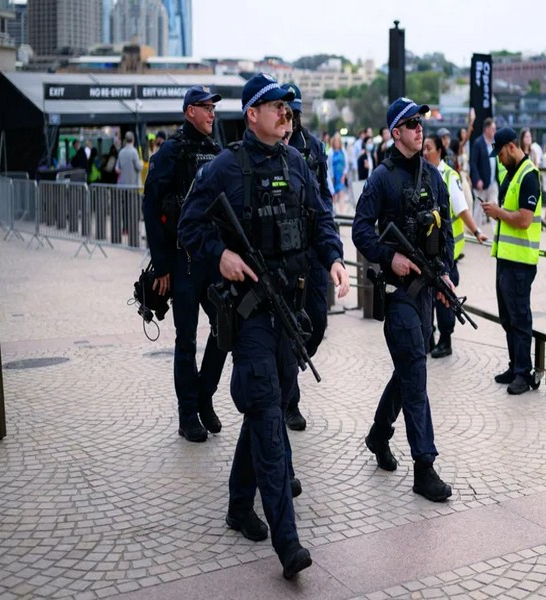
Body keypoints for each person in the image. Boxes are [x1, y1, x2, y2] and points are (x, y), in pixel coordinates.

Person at [177, 73, 350, 579]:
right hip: (250, 313)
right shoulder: (226, 167)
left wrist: (335, 259)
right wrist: (221, 255)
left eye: (288, 107)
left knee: (261, 412)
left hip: (288, 312)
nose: (285, 113)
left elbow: (321, 220)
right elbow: (190, 225)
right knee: (269, 416)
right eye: (275, 106)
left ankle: (237, 505)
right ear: (252, 114)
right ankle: (288, 541)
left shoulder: (297, 162)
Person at [352, 97, 454, 503]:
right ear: (395, 133)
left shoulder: (434, 178)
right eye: (411, 123)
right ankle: (424, 468)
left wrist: (444, 272)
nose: (419, 128)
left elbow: (444, 232)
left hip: (426, 291)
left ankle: (379, 433)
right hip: (397, 296)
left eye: (421, 122)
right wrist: (388, 256)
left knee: (409, 369)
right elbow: (360, 230)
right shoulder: (381, 179)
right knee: (415, 371)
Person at [142, 85, 228, 443]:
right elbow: (151, 205)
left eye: (213, 108)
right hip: (182, 260)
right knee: (186, 340)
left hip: (212, 257)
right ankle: (187, 413)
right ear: (189, 111)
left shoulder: (216, 151)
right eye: (205, 107)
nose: (212, 114)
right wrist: (161, 264)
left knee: (225, 328)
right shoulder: (171, 152)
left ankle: (204, 396)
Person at [279, 82, 334, 432]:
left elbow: (324, 198)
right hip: (282, 253)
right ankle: (290, 400)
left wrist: (333, 251)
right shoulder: (273, 146)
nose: (292, 117)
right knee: (287, 325)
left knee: (317, 323)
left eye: (296, 111)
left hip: (311, 250)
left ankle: (289, 367)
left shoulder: (313, 148)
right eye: (287, 111)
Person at [481, 127, 542, 395]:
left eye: (500, 153)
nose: (499, 158)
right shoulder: (511, 174)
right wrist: (496, 211)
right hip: (505, 258)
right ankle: (514, 364)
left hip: (520, 261)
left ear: (510, 146)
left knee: (519, 318)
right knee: (507, 317)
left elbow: (525, 219)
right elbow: (509, 214)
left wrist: (498, 212)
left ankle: (523, 373)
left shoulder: (530, 175)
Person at [422, 133, 487, 359]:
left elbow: (461, 209)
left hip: (446, 255)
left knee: (444, 298)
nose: (424, 152)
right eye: (423, 148)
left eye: (428, 148)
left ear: (439, 151)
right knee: (427, 297)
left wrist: (476, 231)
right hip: (426, 252)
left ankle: (445, 340)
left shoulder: (449, 176)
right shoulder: (420, 174)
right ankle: (428, 337)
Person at [470, 117, 498, 228]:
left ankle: (497, 231)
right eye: (493, 129)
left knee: (494, 205)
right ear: (486, 129)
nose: (494, 131)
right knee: (478, 207)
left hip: (492, 182)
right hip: (481, 183)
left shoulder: (494, 144)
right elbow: (473, 163)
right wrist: (477, 179)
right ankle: (476, 230)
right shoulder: (478, 143)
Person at [328, 133, 348, 214]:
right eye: (335, 141)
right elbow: (329, 165)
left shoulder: (343, 151)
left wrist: (344, 174)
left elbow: (346, 164)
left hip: (341, 175)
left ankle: (342, 212)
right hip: (333, 176)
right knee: (334, 195)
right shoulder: (330, 152)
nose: (336, 143)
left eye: (338, 141)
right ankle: (334, 211)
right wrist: (331, 177)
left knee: (341, 194)